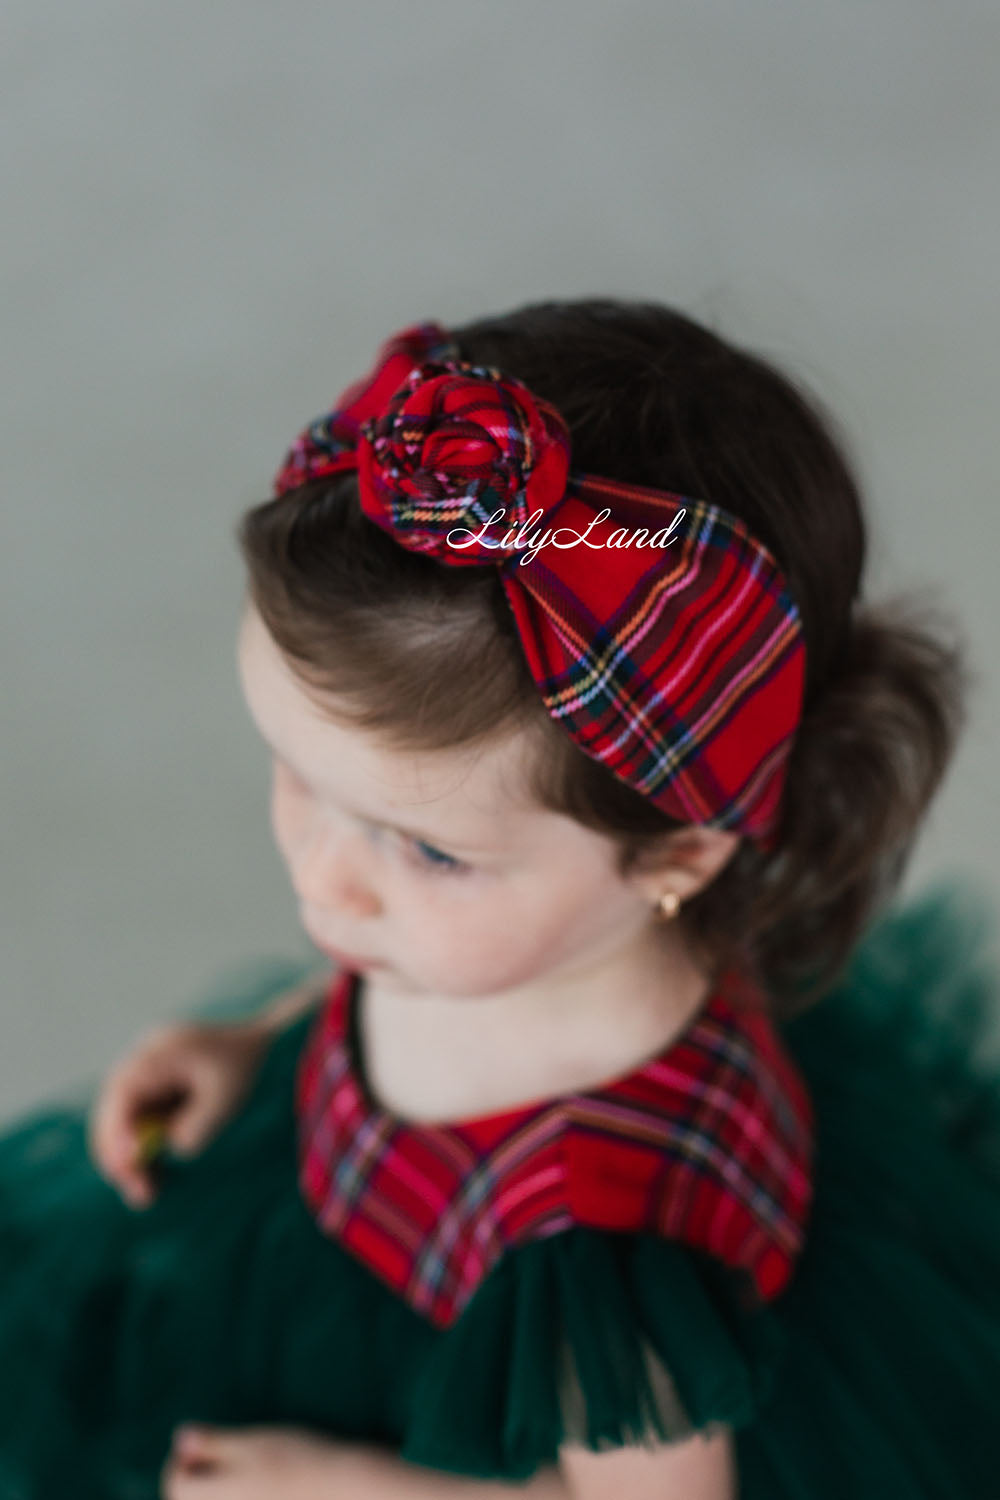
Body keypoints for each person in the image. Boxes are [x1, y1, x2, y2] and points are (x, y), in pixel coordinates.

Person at [1, 300, 998, 1500]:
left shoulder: (616, 1247)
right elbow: (403, 975)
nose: (325, 879)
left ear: (678, 857)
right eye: (298, 777)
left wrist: (339, 1488)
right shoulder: (484, 938)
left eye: (426, 852)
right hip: (333, 1233)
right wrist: (258, 1041)